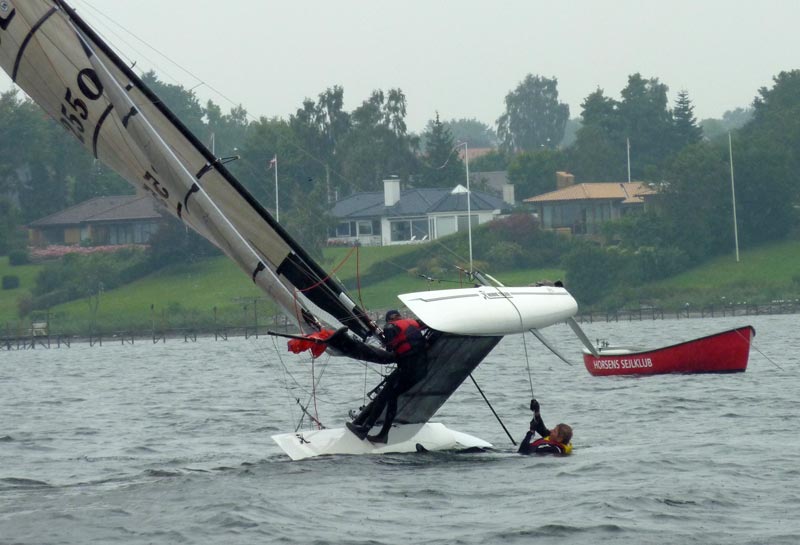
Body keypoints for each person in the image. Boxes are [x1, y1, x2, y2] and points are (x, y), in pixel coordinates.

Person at [346, 309, 428, 444]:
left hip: (408, 369)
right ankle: (382, 434)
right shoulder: (413, 323)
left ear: (389, 319)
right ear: (399, 317)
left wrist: (386, 344)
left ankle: (365, 429)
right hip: (420, 370)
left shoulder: (390, 327)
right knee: (391, 397)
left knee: (384, 397)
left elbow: (391, 349)